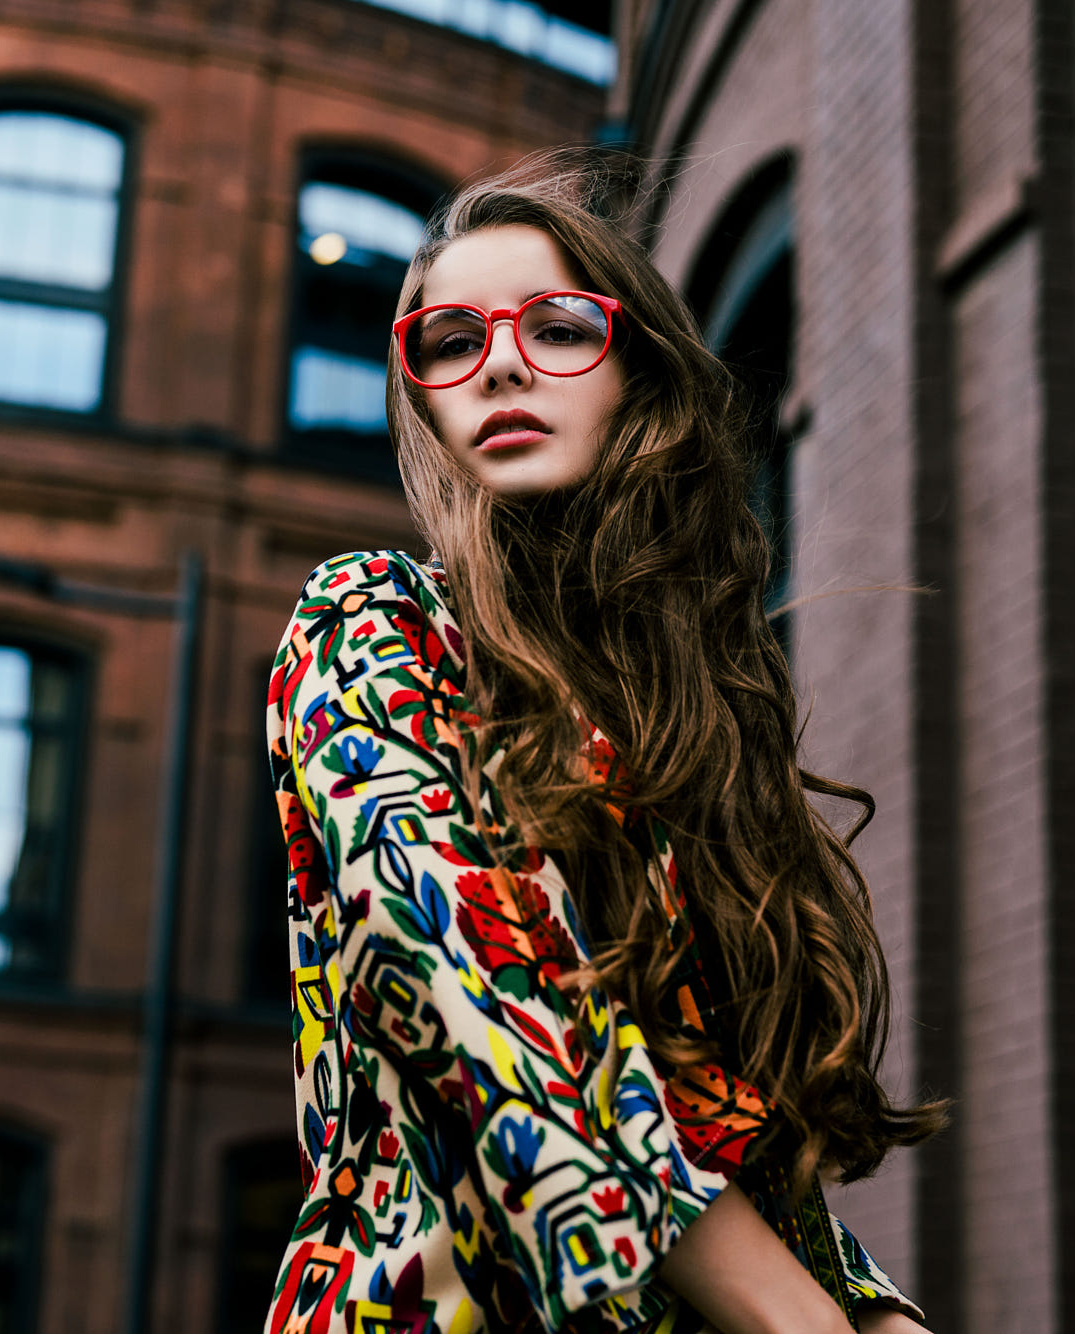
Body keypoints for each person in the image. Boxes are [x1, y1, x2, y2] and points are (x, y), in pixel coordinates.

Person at [261, 150, 950, 1334]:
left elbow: (690, 1105)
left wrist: (870, 1304)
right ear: (422, 396)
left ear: (634, 363)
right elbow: (479, 992)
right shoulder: (368, 619)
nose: (503, 364)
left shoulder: (685, 718)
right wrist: (805, 1318)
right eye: (448, 341)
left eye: (557, 323)